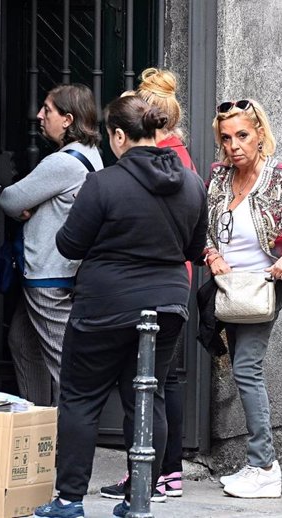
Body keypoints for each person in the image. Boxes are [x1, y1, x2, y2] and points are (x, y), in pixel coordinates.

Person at [33, 95, 208, 518]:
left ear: (117, 135)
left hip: (104, 305)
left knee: (81, 398)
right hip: (167, 304)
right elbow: (195, 250)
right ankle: (139, 499)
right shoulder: (191, 183)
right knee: (147, 398)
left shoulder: (104, 183)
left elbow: (69, 244)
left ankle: (69, 499)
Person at [205, 98, 282, 498]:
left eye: (242, 135)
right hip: (228, 288)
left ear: (260, 134)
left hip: (261, 287)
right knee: (242, 366)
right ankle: (258, 463)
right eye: (226, 138)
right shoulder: (219, 177)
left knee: (246, 368)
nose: (234, 145)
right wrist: (212, 254)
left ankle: (264, 465)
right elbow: (204, 228)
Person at [100, 67, 194, 501]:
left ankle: (155, 473)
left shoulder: (163, 156)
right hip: (174, 283)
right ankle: (165, 472)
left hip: (153, 282)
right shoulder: (179, 155)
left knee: (151, 383)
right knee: (162, 380)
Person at [0, 83, 103, 407]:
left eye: (48, 109)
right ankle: (39, 426)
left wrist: (25, 207)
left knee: (63, 364)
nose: (39, 115)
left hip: (49, 276)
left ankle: (64, 440)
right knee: (22, 341)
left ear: (68, 119)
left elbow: (10, 198)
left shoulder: (64, 163)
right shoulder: (89, 155)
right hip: (55, 272)